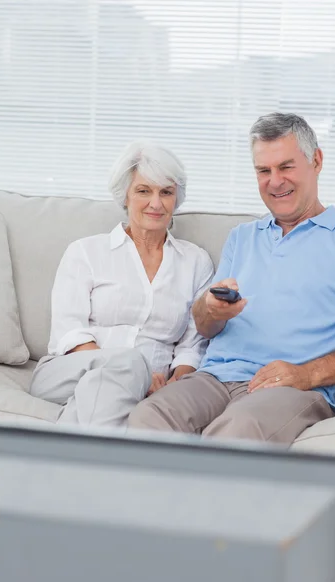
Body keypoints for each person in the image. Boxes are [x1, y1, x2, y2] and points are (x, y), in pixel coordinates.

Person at [128, 112, 335, 445]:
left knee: (238, 429)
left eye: (286, 167)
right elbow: (205, 325)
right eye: (264, 171)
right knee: (147, 417)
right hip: (215, 377)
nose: (274, 181)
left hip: (291, 388)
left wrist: (307, 373)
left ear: (317, 161)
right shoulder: (242, 237)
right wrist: (210, 310)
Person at [30, 140, 214, 427]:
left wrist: (178, 381)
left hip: (153, 387)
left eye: (166, 192)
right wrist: (135, 371)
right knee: (129, 363)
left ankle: (66, 458)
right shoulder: (86, 252)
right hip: (67, 372)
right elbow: (70, 332)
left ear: (176, 199)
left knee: (102, 395)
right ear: (125, 196)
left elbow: (192, 345)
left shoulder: (195, 262)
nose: (156, 203)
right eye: (143, 191)